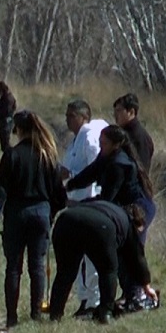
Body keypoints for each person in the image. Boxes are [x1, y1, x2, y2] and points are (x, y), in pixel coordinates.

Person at [0, 110, 68, 327]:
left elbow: (0, 189)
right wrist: (50, 213)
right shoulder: (47, 154)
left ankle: (11, 318)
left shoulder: (11, 155)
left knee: (13, 267)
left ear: (19, 130)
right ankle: (35, 314)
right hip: (41, 213)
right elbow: (60, 195)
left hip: (16, 214)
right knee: (37, 267)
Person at [66, 125, 158, 309]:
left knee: (130, 251)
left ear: (116, 145)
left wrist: (79, 205)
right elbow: (90, 173)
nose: (100, 148)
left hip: (138, 209)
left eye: (104, 144)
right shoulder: (106, 156)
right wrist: (69, 186)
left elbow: (107, 200)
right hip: (123, 206)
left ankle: (136, 295)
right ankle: (130, 294)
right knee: (122, 251)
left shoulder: (118, 164)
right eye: (99, 143)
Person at [48, 201, 158, 324]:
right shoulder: (128, 223)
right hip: (100, 226)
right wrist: (147, 287)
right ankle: (105, 314)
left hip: (65, 220)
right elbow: (138, 258)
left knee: (65, 273)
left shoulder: (110, 208)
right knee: (108, 271)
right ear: (136, 222)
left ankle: (55, 315)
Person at [60, 99, 109, 318]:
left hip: (89, 204)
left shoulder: (89, 137)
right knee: (78, 258)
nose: (67, 119)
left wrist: (71, 177)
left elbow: (95, 170)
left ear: (83, 117)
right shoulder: (75, 140)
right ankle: (84, 299)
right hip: (75, 205)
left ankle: (94, 302)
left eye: (71, 115)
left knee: (90, 258)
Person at [113, 92, 155, 175]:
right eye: (115, 111)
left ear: (131, 112)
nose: (115, 115)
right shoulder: (122, 133)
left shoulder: (139, 137)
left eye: (119, 111)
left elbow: (142, 170)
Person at [0, 81, 17, 153]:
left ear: (2, 90)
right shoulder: (7, 97)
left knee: (5, 143)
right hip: (4, 123)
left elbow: (6, 111)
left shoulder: (8, 98)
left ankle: (9, 157)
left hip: (5, 123)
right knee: (4, 143)